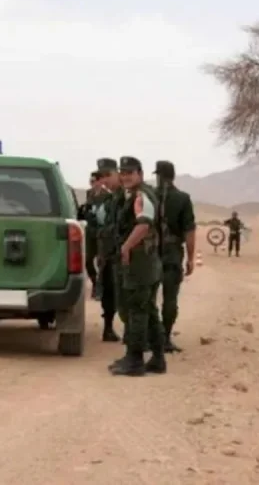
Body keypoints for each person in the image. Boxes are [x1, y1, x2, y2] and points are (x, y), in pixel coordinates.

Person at [107, 156, 165, 376]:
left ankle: (135, 360)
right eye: (122, 173)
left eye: (130, 173)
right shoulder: (135, 194)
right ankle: (157, 359)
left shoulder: (141, 196)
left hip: (140, 262)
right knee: (148, 310)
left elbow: (144, 224)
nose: (125, 177)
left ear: (140, 174)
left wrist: (126, 247)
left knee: (137, 310)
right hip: (144, 261)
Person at [154, 160, 196, 353]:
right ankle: (165, 338)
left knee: (147, 297)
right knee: (170, 298)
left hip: (150, 253)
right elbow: (189, 231)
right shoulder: (182, 199)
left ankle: (150, 335)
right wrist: (190, 258)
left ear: (158, 176)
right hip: (172, 253)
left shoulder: (149, 196)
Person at [91, 159, 121, 342]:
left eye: (108, 175)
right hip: (108, 252)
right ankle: (108, 328)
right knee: (109, 292)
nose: (104, 180)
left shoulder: (128, 196)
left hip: (123, 253)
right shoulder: (108, 200)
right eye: (102, 176)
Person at [82, 171, 103, 299]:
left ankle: (99, 288)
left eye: (94, 181)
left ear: (100, 181)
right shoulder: (89, 193)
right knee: (88, 260)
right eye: (90, 182)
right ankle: (95, 282)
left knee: (101, 261)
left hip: (101, 231)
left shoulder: (107, 195)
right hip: (90, 231)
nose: (92, 184)